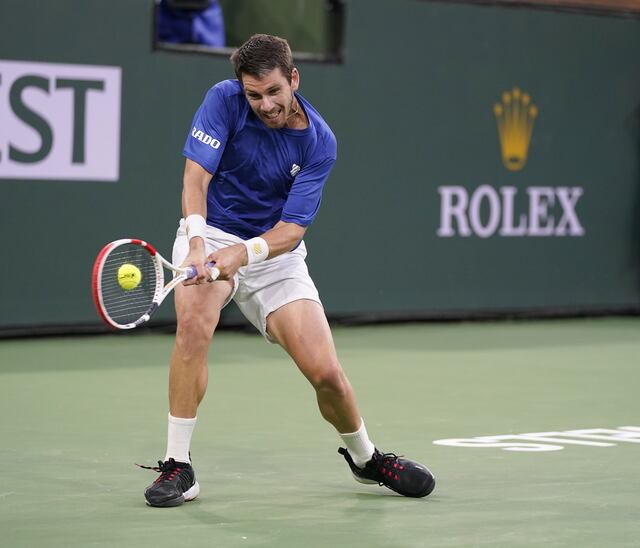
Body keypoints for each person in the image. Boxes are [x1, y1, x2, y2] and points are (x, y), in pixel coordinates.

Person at [137, 34, 435, 507]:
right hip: (211, 232)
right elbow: (196, 176)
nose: (265, 104)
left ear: (293, 78)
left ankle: (366, 459)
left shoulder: (320, 141)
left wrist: (243, 255)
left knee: (327, 374)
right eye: (254, 95)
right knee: (193, 326)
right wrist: (197, 241)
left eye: (274, 91)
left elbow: (292, 230)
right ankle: (178, 465)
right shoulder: (222, 99)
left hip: (273, 249)